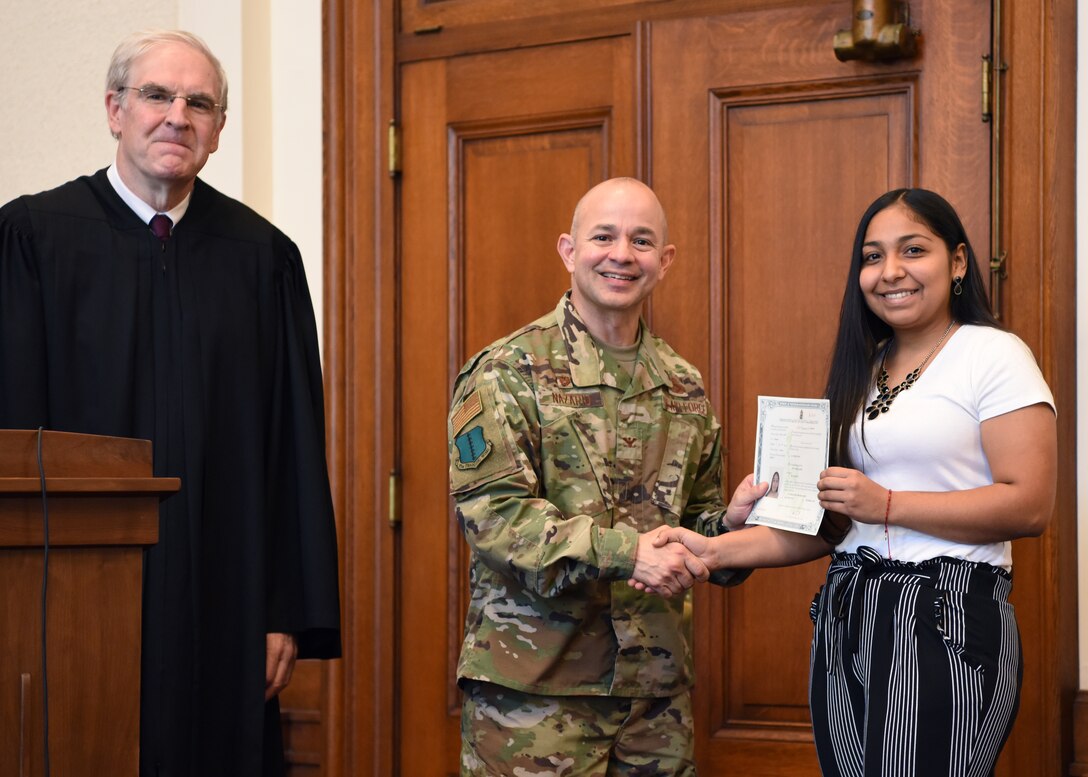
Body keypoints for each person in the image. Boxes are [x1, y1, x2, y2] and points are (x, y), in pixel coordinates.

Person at [0, 30, 341, 777]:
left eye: (200, 103)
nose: (177, 116)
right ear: (115, 109)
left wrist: (284, 608)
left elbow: (292, 445)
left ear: (219, 130)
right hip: (69, 603)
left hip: (228, 598)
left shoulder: (264, 259)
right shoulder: (32, 239)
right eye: (157, 95)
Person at [645, 188, 1057, 776]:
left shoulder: (993, 355)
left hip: (945, 615)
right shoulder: (862, 370)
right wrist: (713, 549)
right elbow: (830, 524)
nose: (890, 272)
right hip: (848, 609)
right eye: (871, 256)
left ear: (958, 262)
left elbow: (1029, 504)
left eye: (913, 250)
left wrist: (886, 504)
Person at [448, 177, 752, 775]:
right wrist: (627, 554)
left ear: (664, 261)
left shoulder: (683, 384)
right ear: (568, 250)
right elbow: (496, 517)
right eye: (603, 236)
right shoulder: (508, 370)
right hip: (535, 698)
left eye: (641, 241)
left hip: (654, 699)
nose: (621, 254)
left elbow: (692, 522)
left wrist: (730, 528)